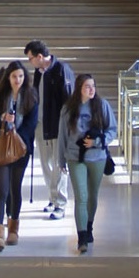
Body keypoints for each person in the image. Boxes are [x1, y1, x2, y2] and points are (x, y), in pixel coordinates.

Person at [0, 61, 38, 253]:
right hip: (2, 148)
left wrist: (19, 137)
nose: (17, 80)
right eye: (14, 76)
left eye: (20, 76)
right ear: (8, 78)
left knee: (15, 189)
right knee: (1, 189)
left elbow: (31, 124)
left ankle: (14, 227)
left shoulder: (31, 98)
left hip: (20, 149)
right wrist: (1, 119)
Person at [59, 72, 117, 254]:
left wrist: (98, 142)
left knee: (92, 196)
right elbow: (62, 136)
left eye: (93, 86)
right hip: (75, 157)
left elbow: (112, 129)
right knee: (81, 197)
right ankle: (82, 236)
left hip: (97, 157)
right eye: (87, 87)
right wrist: (60, 159)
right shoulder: (69, 109)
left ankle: (89, 226)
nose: (91, 90)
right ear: (79, 89)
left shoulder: (102, 106)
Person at [24, 39, 75, 221]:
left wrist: (68, 127)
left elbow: (69, 100)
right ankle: (52, 199)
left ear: (39, 57)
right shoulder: (38, 73)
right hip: (41, 125)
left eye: (31, 59)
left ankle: (60, 203)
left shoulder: (61, 70)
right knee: (46, 164)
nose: (30, 62)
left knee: (59, 165)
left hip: (58, 126)